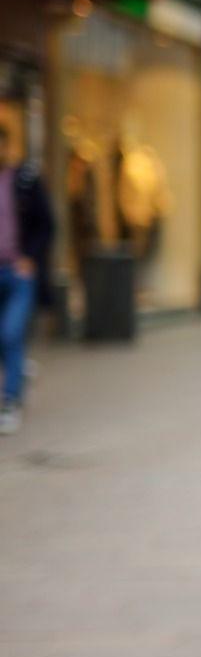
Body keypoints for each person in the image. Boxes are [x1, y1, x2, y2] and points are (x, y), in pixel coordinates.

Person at [0, 108, 54, 435]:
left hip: (17, 273)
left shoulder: (26, 181)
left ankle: (10, 400)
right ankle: (19, 373)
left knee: (11, 333)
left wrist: (30, 259)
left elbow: (47, 224)